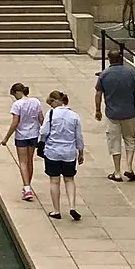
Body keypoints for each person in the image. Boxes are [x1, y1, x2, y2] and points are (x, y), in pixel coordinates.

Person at [95, 42, 135, 182]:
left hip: (112, 114)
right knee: (130, 139)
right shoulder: (131, 73)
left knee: (114, 141)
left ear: (109, 59)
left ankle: (117, 171)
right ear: (121, 59)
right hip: (129, 112)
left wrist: (97, 110)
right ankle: (129, 167)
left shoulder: (104, 75)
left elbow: (98, 93)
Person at [39, 89, 85, 220]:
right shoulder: (74, 116)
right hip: (69, 152)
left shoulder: (51, 114)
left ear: (55, 101)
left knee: (54, 181)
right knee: (69, 179)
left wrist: (41, 143)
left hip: (53, 151)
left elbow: (44, 131)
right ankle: (72, 206)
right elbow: (78, 137)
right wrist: (80, 152)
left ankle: (56, 210)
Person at [0, 81, 44, 201]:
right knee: (30, 161)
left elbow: (15, 122)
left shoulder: (17, 105)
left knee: (23, 162)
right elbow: (41, 119)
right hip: (34, 134)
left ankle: (27, 188)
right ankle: (28, 185)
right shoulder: (36, 102)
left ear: (17, 92)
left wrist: (6, 138)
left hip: (21, 136)